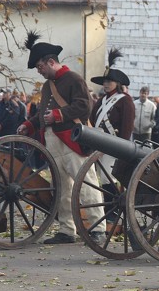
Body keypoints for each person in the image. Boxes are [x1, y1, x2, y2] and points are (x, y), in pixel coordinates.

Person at [17, 32, 104, 244]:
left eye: (40, 67)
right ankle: (67, 230)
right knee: (62, 188)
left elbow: (84, 106)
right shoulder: (48, 86)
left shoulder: (74, 79)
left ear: (50, 62)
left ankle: (98, 228)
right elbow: (43, 113)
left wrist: (58, 115)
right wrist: (29, 125)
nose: (39, 71)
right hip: (53, 141)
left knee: (86, 184)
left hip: (72, 140)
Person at [89, 48, 135, 216]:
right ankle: (108, 210)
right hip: (100, 145)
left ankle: (113, 212)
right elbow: (92, 120)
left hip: (114, 146)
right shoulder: (102, 100)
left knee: (109, 178)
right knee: (102, 179)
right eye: (105, 81)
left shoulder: (125, 101)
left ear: (118, 83)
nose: (106, 84)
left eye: (109, 81)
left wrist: (120, 148)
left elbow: (127, 127)